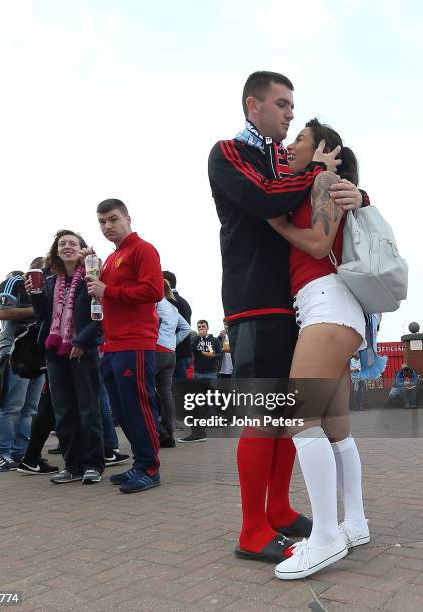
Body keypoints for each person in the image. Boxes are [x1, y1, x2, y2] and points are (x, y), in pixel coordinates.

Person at [208, 71, 366, 563]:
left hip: (296, 303)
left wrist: (354, 193)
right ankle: (252, 529)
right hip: (254, 301)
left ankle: (277, 509)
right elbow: (265, 201)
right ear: (252, 106)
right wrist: (315, 173)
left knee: (286, 416)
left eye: (293, 107)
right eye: (281, 104)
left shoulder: (288, 161)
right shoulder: (229, 152)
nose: (290, 113)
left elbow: (328, 202)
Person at [265, 118, 370, 579]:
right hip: (334, 311)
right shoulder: (319, 182)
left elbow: (317, 242)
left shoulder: (325, 180)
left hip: (325, 303)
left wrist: (279, 223)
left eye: (299, 140)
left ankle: (325, 537)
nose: (289, 145)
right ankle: (355, 523)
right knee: (335, 430)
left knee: (298, 419)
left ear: (324, 148)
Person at [84, 198, 164, 494]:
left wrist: (108, 290)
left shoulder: (143, 249)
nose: (107, 226)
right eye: (102, 222)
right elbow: (103, 294)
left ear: (128, 218)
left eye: (113, 219)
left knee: (138, 406)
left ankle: (149, 467)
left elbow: (154, 290)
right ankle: (140, 462)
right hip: (113, 343)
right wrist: (94, 273)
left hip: (136, 341)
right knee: (122, 409)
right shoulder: (113, 256)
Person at [27, 230, 105, 484]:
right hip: (55, 351)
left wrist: (82, 341)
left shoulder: (91, 277)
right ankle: (72, 466)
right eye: (63, 244)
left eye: (73, 243)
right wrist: (35, 295)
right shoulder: (50, 281)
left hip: (83, 350)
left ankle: (93, 464)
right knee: (63, 412)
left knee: (88, 409)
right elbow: (43, 318)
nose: (68, 246)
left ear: (82, 249)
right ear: (56, 251)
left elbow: (99, 314)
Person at [0, 263, 45, 471]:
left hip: (38, 353)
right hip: (16, 351)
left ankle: (20, 452)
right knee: (12, 406)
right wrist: (39, 308)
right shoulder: (16, 281)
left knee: (30, 408)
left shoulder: (52, 286)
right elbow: (4, 312)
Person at [156, 279, 191, 447]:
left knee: (146, 391)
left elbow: (153, 323)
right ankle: (168, 434)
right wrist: (172, 341)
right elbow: (186, 328)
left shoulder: (154, 303)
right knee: (166, 394)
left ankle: (160, 432)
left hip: (156, 350)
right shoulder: (173, 308)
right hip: (171, 353)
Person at [178, 320, 222, 443]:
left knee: (212, 398)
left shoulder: (214, 340)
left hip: (211, 372)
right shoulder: (195, 340)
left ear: (208, 327)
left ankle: (213, 421)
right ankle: (202, 422)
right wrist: (198, 338)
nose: (201, 328)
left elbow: (220, 355)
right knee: (199, 399)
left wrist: (213, 356)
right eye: (199, 327)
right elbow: (191, 351)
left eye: (203, 326)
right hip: (198, 372)